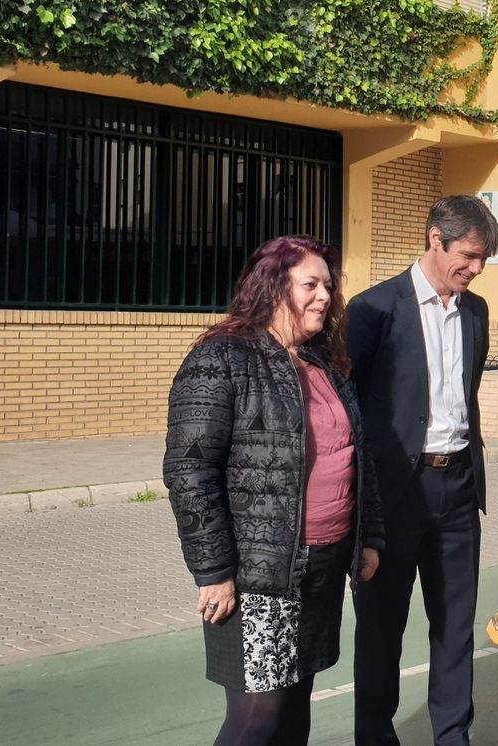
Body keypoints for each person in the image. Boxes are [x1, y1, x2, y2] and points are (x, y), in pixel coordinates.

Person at [163, 235, 384, 746]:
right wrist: (215, 572)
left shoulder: (325, 362)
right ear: (273, 287)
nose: (325, 296)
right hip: (257, 574)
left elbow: (358, 455)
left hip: (322, 565)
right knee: (257, 718)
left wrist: (369, 536)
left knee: (293, 712)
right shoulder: (222, 358)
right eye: (310, 284)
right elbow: (189, 472)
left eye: (328, 285)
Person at [348, 195, 498, 746]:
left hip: (457, 488)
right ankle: (374, 736)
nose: (476, 270)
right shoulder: (373, 310)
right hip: (394, 494)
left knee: (456, 625)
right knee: (383, 628)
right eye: (469, 255)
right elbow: (350, 410)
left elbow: (467, 394)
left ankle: (452, 735)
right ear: (435, 238)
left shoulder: (475, 312)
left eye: (484, 261)